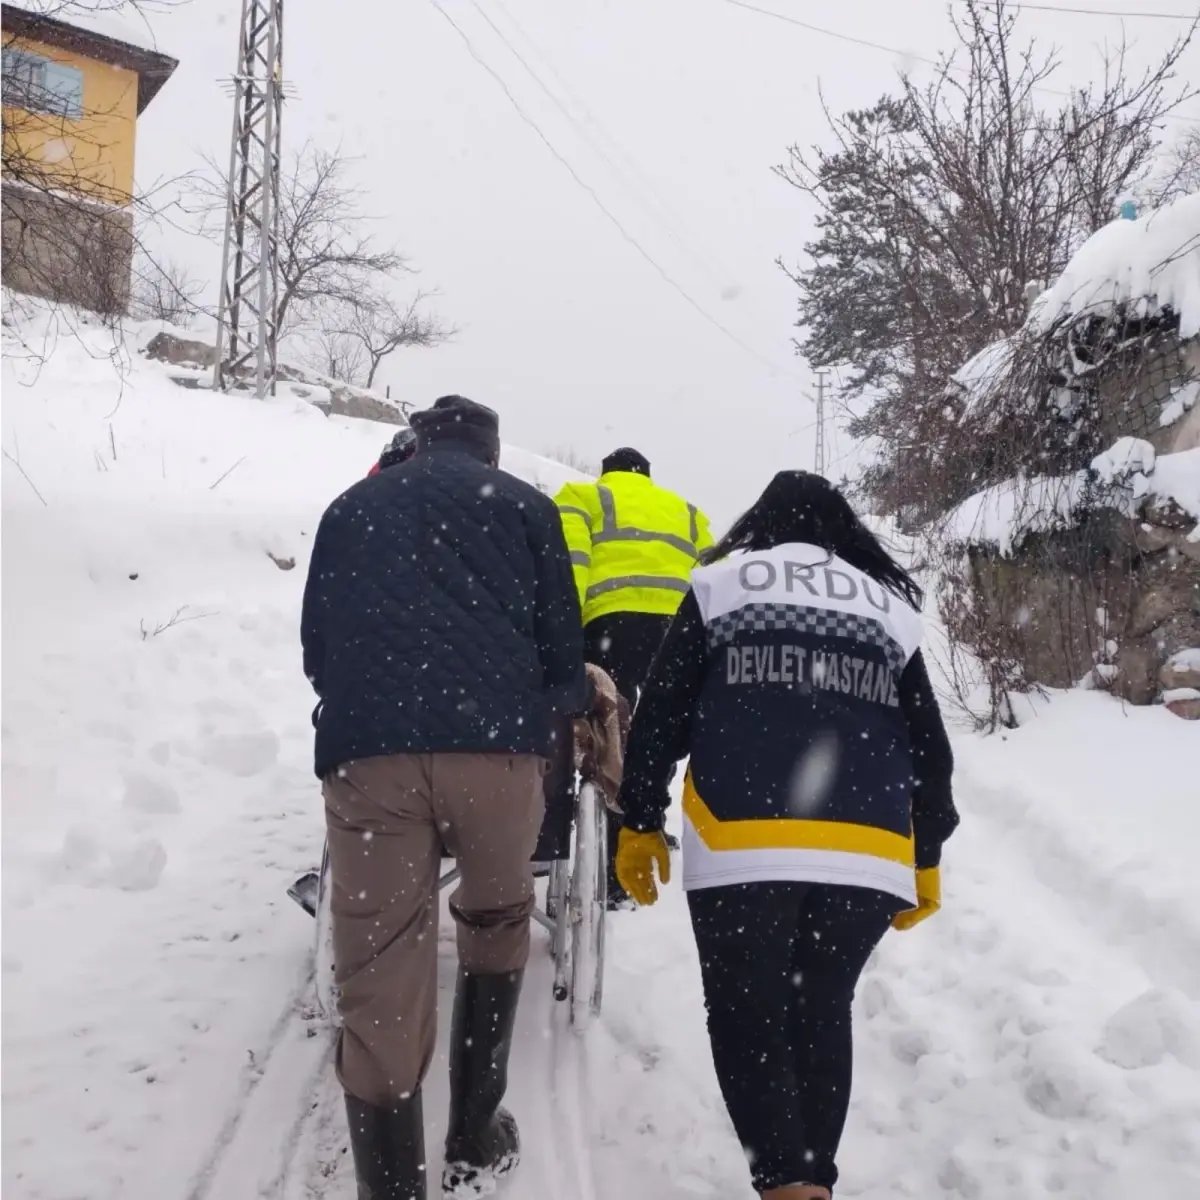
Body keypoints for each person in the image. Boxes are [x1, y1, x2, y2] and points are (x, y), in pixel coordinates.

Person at [614, 471, 958, 1200]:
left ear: (760, 523)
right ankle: (810, 1184)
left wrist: (639, 819)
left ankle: (787, 1184)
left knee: (747, 1012)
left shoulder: (721, 584)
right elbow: (931, 750)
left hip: (745, 841)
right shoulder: (886, 607)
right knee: (821, 1006)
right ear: (843, 531)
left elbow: (661, 718)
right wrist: (923, 853)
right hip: (868, 852)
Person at [301, 395, 587, 1200]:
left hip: (372, 758)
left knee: (382, 962)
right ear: (490, 453)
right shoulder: (528, 509)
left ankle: (392, 1189)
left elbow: (318, 649)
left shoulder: (352, 507)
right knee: (497, 920)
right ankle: (472, 1130)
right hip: (496, 756)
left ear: (416, 444)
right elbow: (563, 657)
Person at [553, 447, 712, 904]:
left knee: (612, 729)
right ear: (647, 476)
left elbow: (573, 566)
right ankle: (648, 817)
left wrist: (570, 633)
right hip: (678, 629)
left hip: (611, 624)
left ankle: (613, 853)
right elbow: (712, 573)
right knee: (657, 727)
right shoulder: (687, 512)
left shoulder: (583, 496)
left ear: (607, 474)